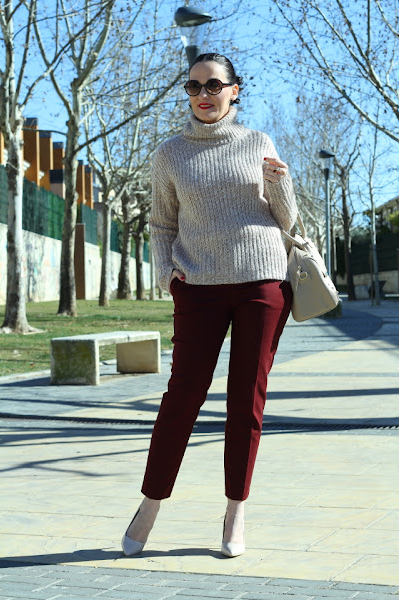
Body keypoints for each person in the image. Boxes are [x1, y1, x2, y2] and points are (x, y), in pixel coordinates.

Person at [122, 52, 297, 559]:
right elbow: (161, 224)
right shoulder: (170, 154)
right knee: (182, 397)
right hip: (198, 285)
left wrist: (281, 184)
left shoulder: (258, 142)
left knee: (246, 401)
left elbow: (287, 220)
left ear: (234, 90)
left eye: (214, 85)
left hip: (262, 283)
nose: (204, 94)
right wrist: (166, 274)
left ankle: (236, 509)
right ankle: (150, 504)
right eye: (194, 86)